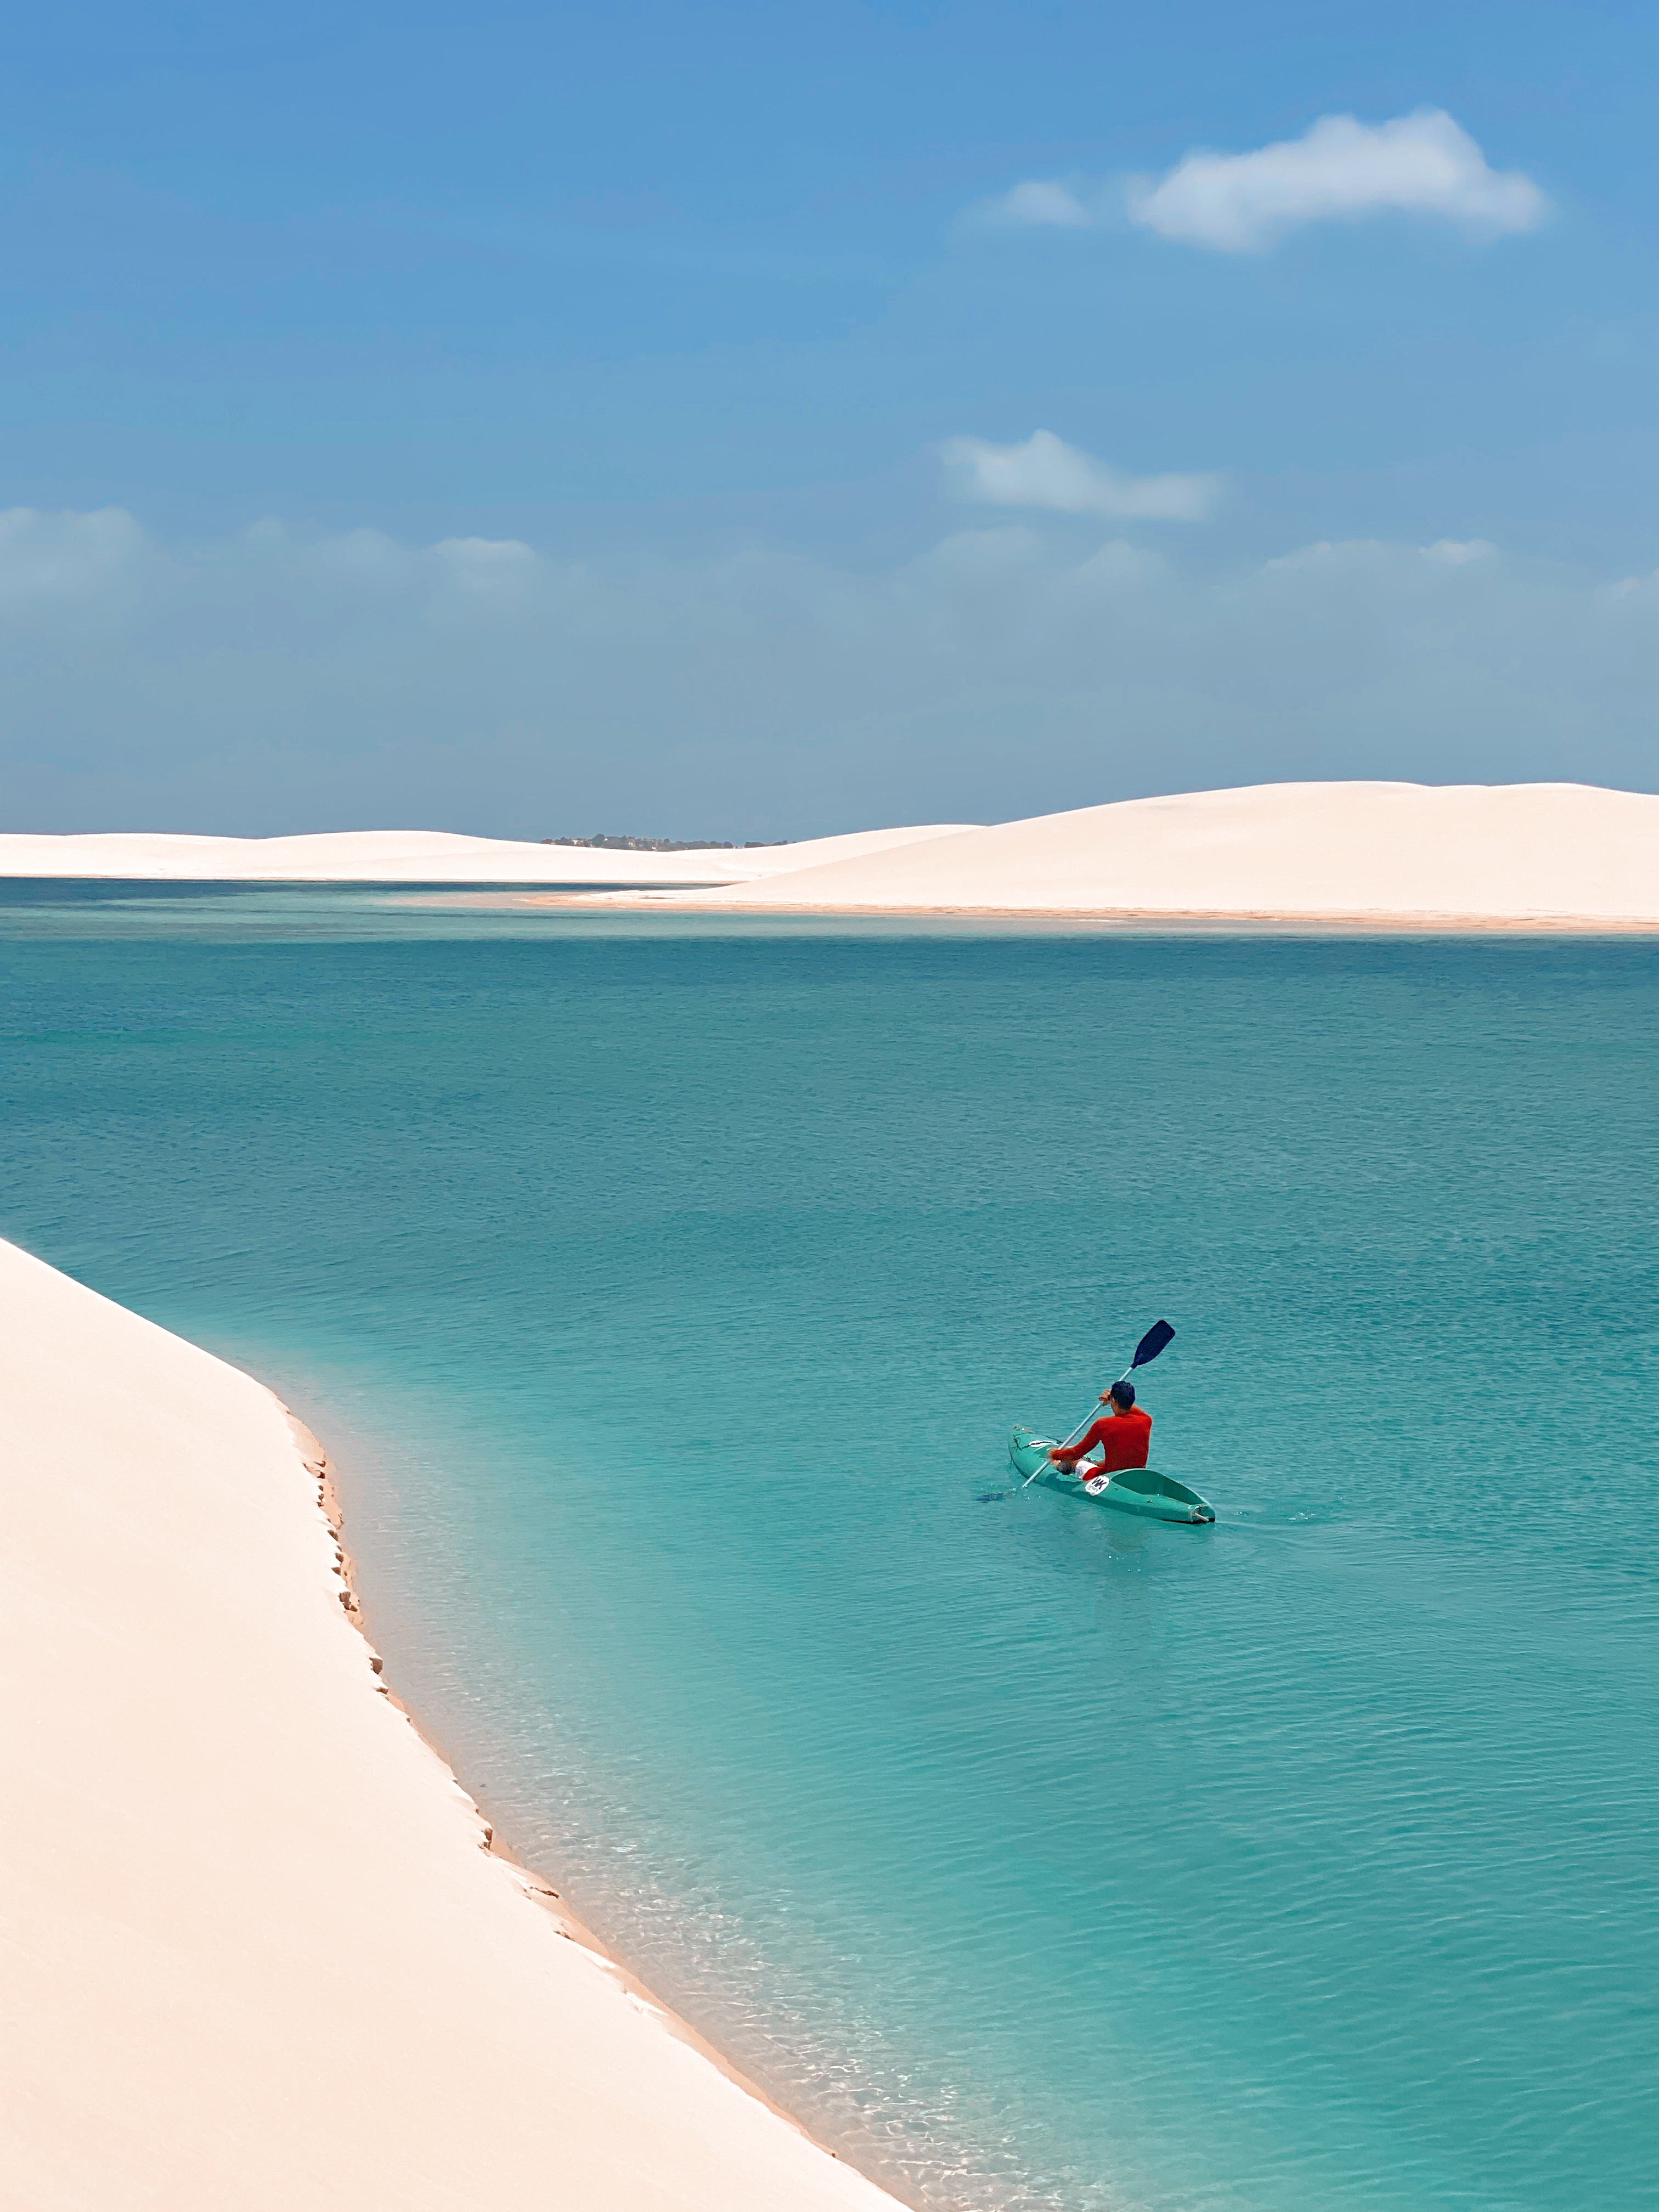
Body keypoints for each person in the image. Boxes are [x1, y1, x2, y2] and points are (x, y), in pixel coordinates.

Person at [1048, 1379, 1152, 1479]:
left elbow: (1077, 1453)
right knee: (1103, 1463)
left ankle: (1059, 1466)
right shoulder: (1146, 1420)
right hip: (1137, 1475)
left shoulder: (1103, 1425)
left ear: (1114, 1401)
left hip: (1111, 1477)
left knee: (1075, 1462)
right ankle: (1091, 1464)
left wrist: (1056, 1454)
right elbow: (1132, 1409)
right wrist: (1113, 1399)